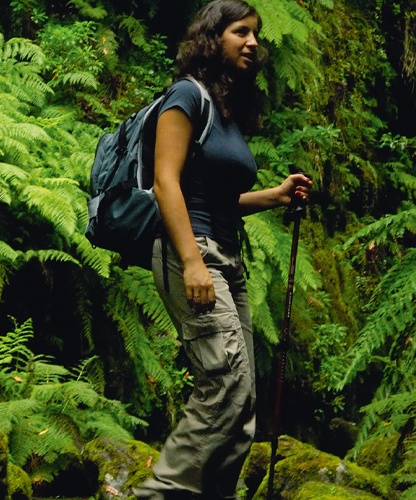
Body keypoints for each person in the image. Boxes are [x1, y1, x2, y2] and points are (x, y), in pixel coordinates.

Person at [133, 1, 312, 499]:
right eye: (240, 32)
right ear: (214, 38)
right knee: (225, 386)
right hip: (193, 253)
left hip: (227, 259)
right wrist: (192, 261)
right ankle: (160, 493)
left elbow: (216, 196)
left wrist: (273, 196)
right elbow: (166, 184)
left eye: (256, 34)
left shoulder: (226, 110)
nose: (253, 42)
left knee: (241, 399)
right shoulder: (186, 97)